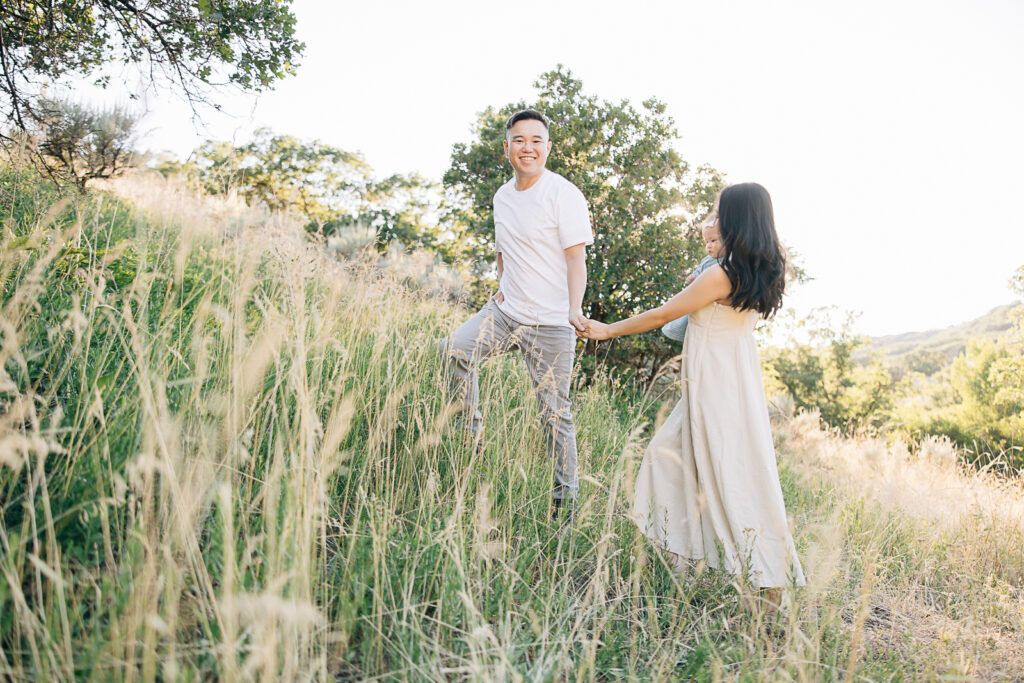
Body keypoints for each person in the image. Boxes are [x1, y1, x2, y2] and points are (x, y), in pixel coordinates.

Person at [581, 182, 805, 597]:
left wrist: (608, 329)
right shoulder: (750, 271)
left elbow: (664, 314)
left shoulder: (722, 275)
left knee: (726, 479)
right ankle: (687, 565)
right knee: (676, 464)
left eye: (718, 213)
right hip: (729, 382)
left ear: (738, 220)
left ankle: (767, 579)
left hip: (715, 386)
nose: (711, 221)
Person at [438, 109, 593, 521]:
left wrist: (574, 309)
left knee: (554, 414)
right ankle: (471, 446)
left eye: (536, 140)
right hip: (506, 313)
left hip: (553, 324)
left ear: (548, 147)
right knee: (453, 351)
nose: (528, 147)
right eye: (519, 140)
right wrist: (503, 286)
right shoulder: (502, 197)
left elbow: (576, 261)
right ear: (507, 147)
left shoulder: (564, 195)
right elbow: (504, 252)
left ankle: (565, 504)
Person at [661, 214, 724, 343]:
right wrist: (692, 279)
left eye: (713, 241)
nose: (709, 246)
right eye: (706, 242)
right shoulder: (707, 261)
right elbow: (698, 274)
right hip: (699, 299)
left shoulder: (728, 263)